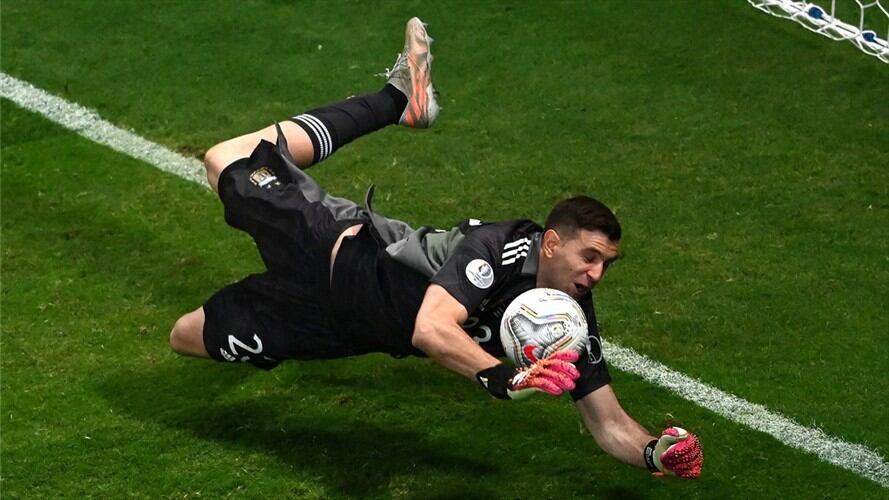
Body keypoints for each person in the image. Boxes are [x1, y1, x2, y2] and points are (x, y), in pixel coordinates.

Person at [168, 17, 703, 479]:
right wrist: (499, 375)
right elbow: (430, 328)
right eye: (589, 257)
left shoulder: (568, 319)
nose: (595, 275)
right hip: (330, 249)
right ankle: (396, 101)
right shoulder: (500, 245)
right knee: (225, 159)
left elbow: (607, 422)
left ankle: (399, 102)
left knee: (186, 337)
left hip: (341, 325)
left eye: (605, 264)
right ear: (551, 243)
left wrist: (656, 451)